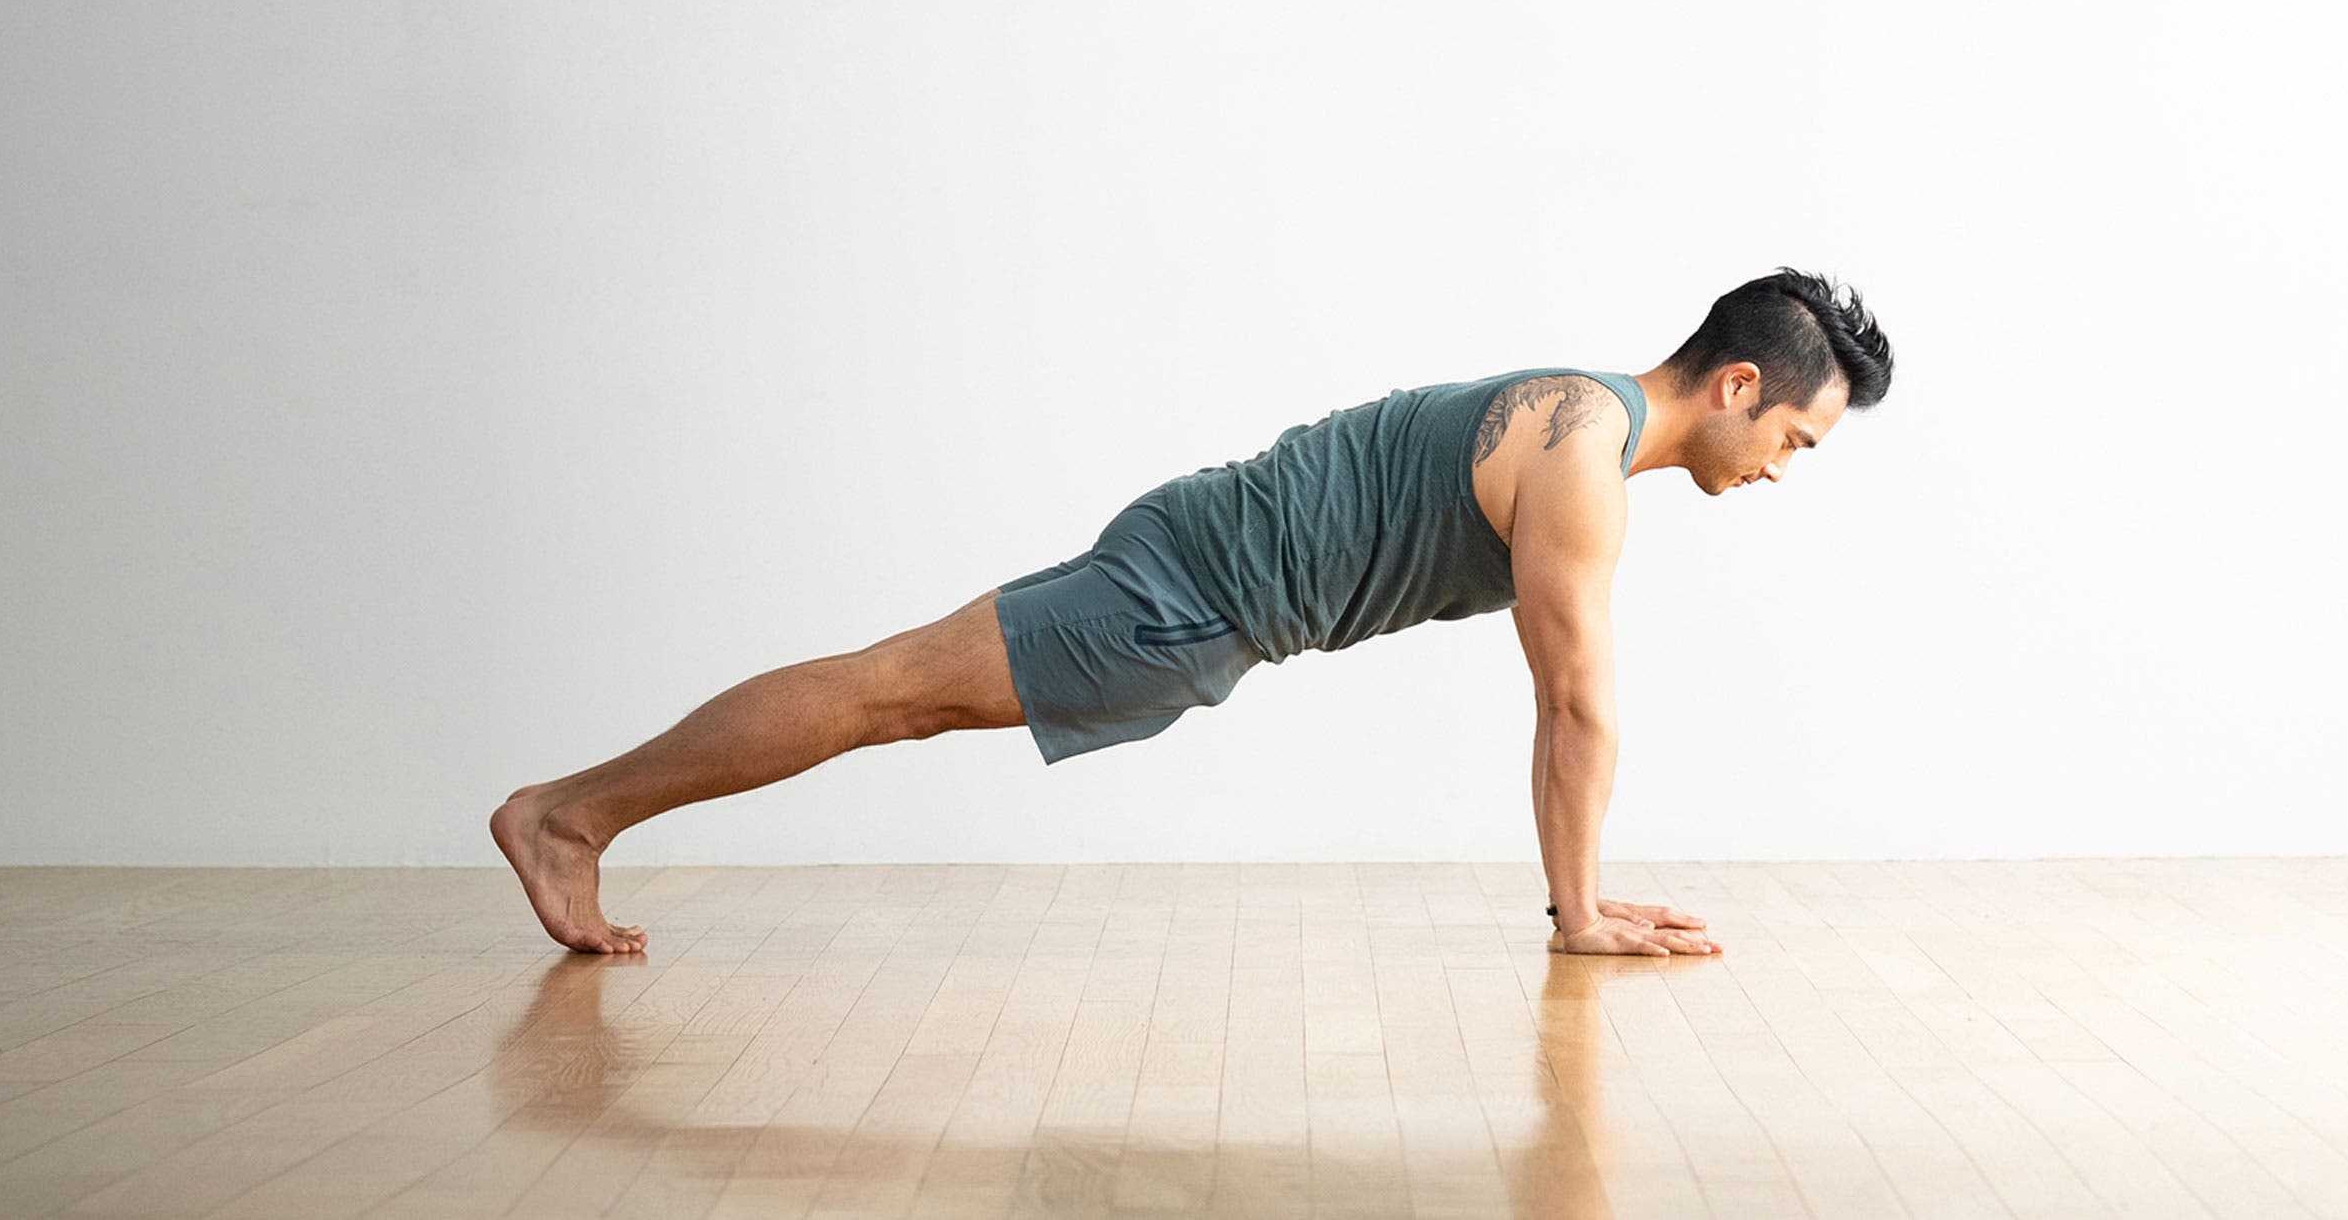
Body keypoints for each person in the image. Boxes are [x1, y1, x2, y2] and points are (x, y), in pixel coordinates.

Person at [492, 267, 1895, 957]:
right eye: (1800, 441)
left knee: (889, 693)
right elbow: (1576, 703)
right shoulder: (1585, 466)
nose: (1787, 470)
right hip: (1190, 596)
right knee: (884, 694)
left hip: (1195, 559)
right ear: (1736, 387)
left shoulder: (1576, 410)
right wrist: (1578, 911)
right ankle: (569, 815)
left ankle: (575, 813)